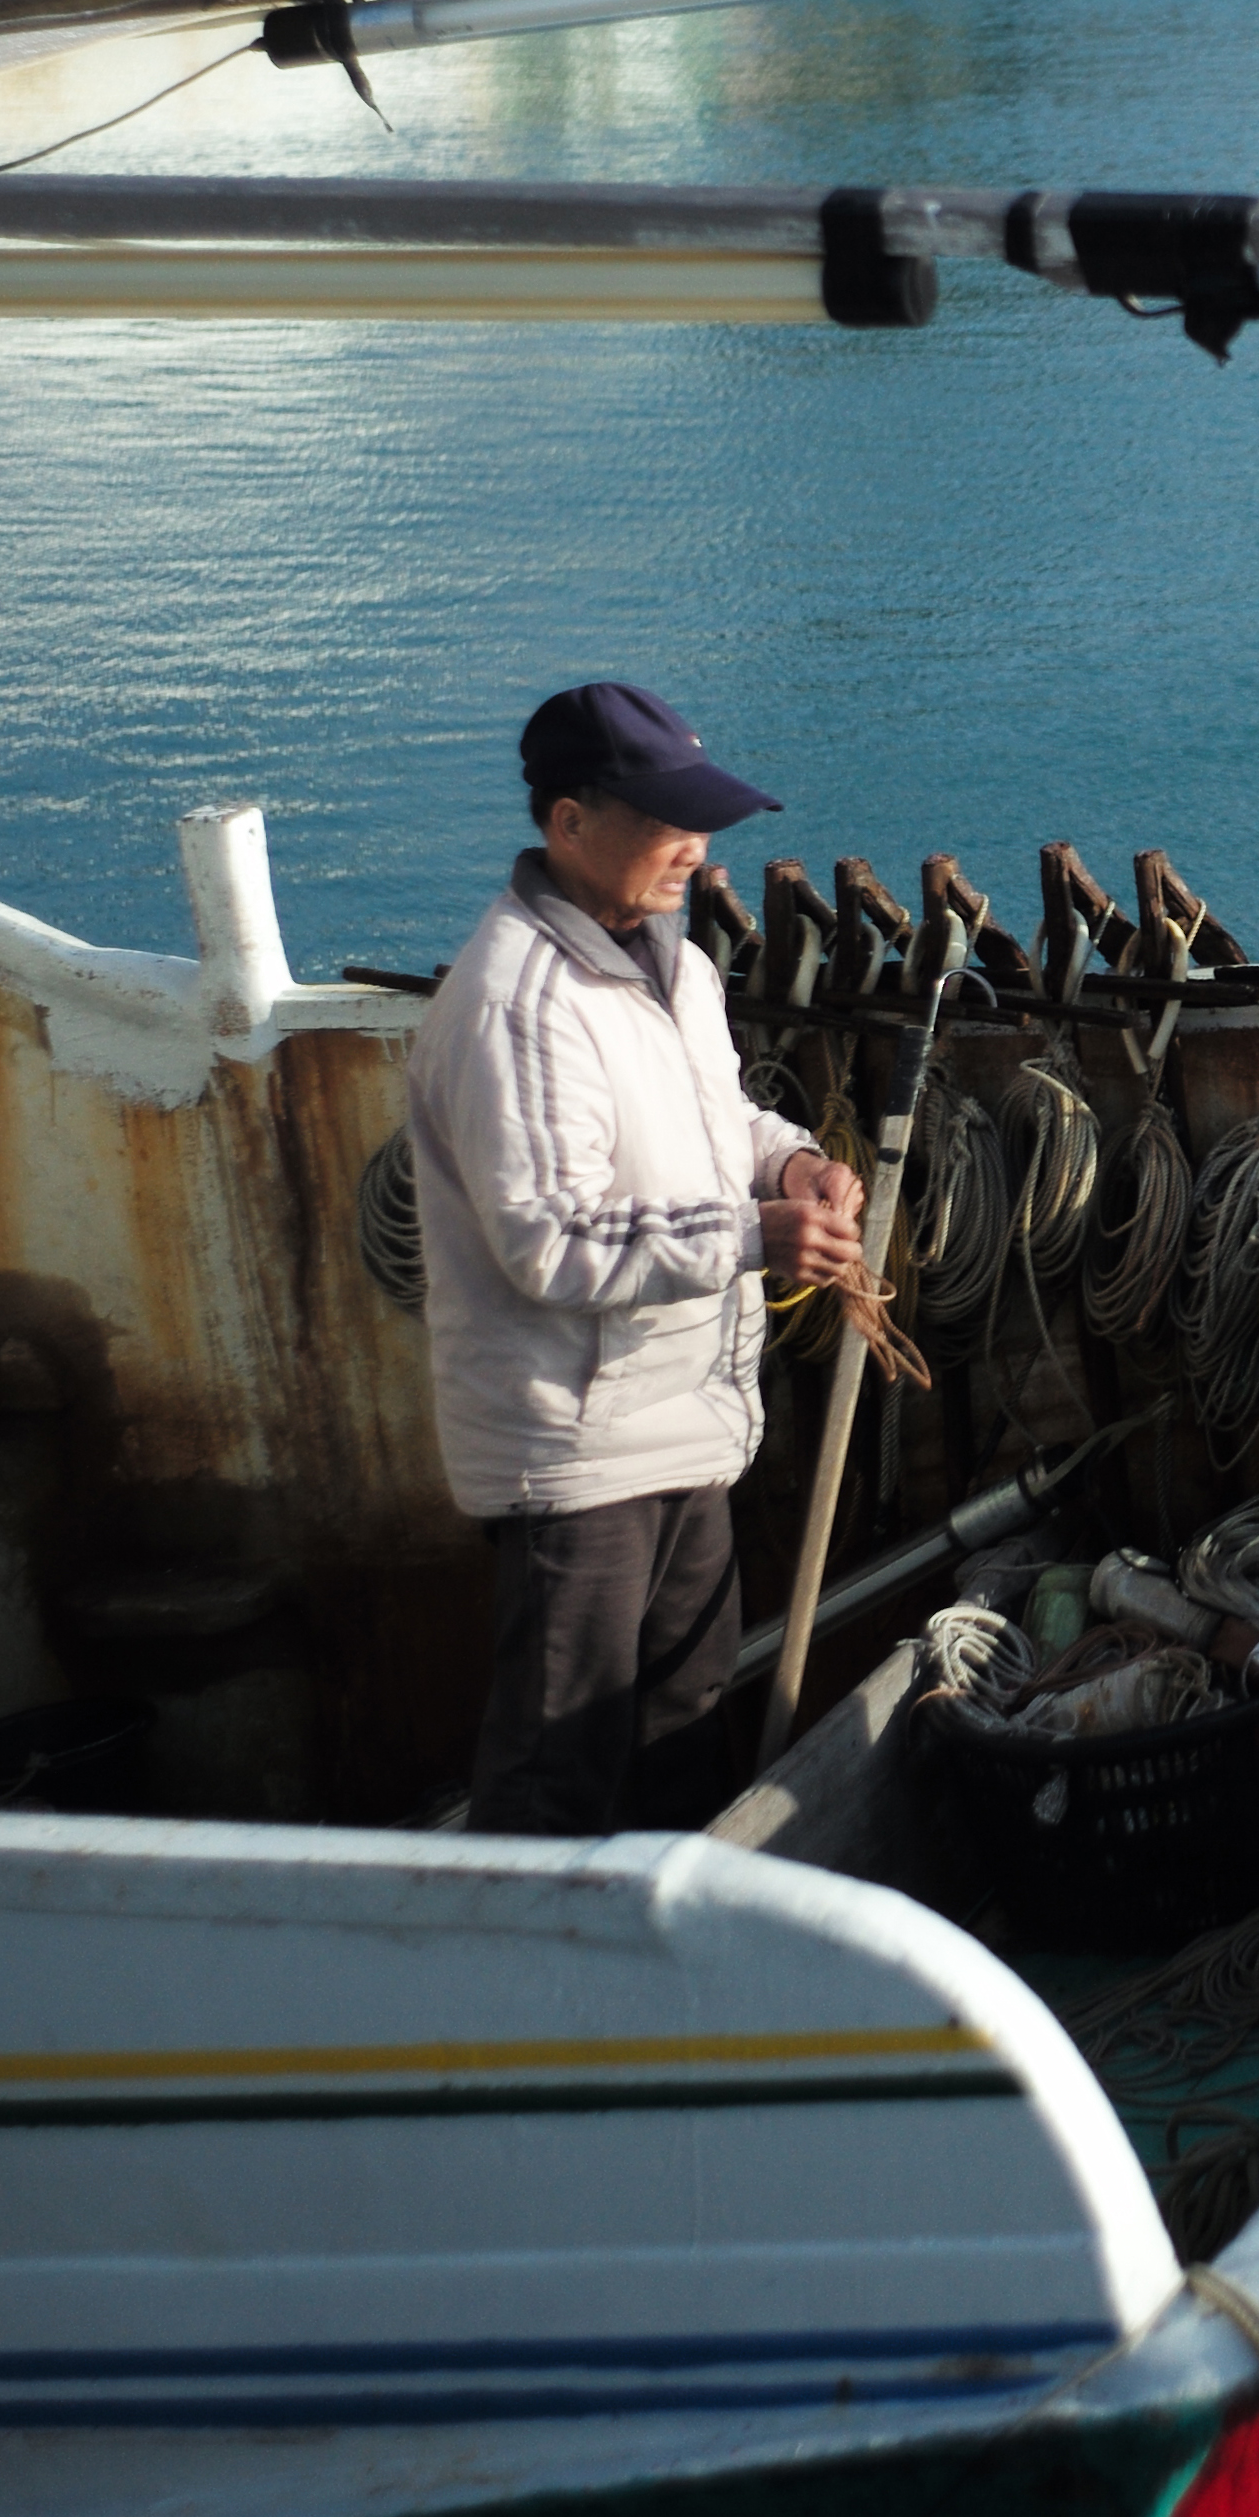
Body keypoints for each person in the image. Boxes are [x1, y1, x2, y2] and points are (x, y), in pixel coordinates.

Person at [401, 683, 866, 1834]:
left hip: (680, 1422)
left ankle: (662, 1970)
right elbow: (546, 1242)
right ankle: (524, 1993)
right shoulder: (519, 1005)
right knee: (558, 1764)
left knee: (681, 1719)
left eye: (699, 819)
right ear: (567, 824)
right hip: (579, 1450)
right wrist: (755, 1239)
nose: (696, 851)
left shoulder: (672, 965)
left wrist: (789, 1166)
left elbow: (716, 1121)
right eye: (668, 821)